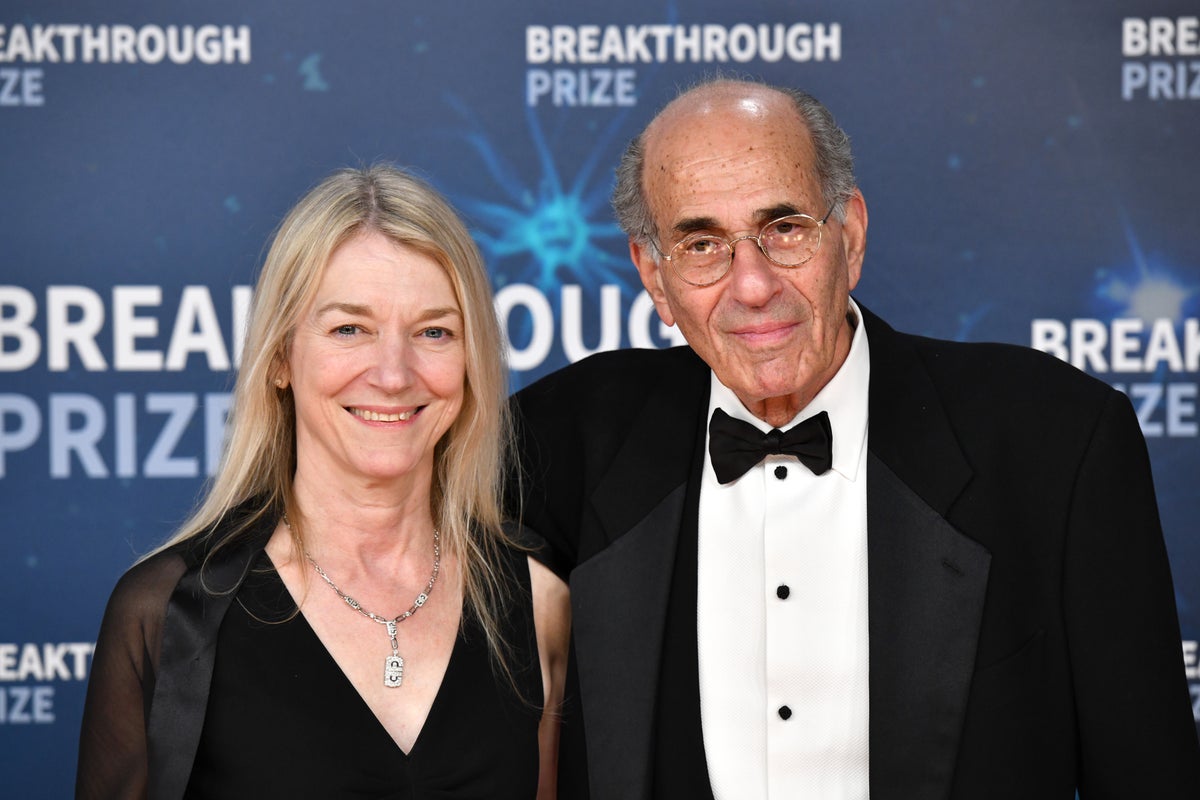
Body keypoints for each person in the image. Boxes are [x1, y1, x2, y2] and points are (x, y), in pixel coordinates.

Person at [506, 78, 1200, 799]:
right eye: (702, 243)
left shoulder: (1056, 444)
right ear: (655, 276)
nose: (751, 285)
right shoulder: (566, 438)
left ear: (852, 235)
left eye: (784, 229)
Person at [77, 164, 569, 799]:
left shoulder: (539, 604)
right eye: (349, 329)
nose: (393, 373)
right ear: (281, 356)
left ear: (472, 360)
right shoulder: (171, 613)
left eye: (434, 332)